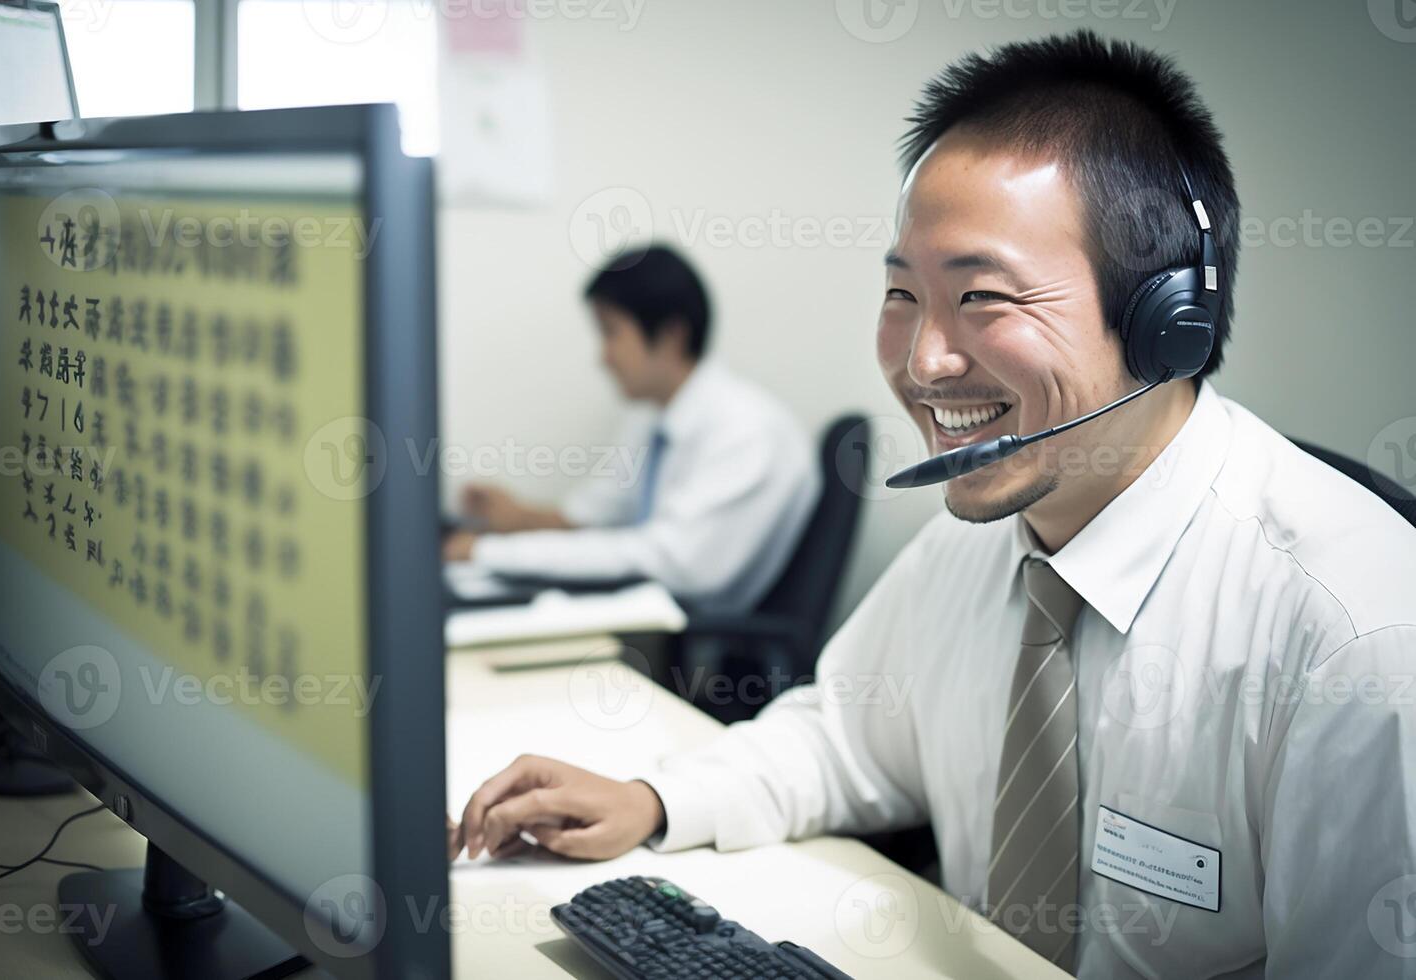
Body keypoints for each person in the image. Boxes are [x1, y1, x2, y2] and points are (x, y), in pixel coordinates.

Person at [450, 32, 1416, 978]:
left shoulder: (1351, 635)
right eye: (902, 295)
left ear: (1170, 325)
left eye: (982, 299)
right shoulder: (985, 538)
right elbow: (840, 736)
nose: (921, 364)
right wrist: (654, 798)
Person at [444, 245, 819, 615]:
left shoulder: (746, 432)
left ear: (671, 335)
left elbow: (666, 559)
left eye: (611, 333)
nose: (603, 357)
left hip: (700, 654)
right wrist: (515, 518)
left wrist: (486, 552)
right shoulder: (654, 418)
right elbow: (595, 515)